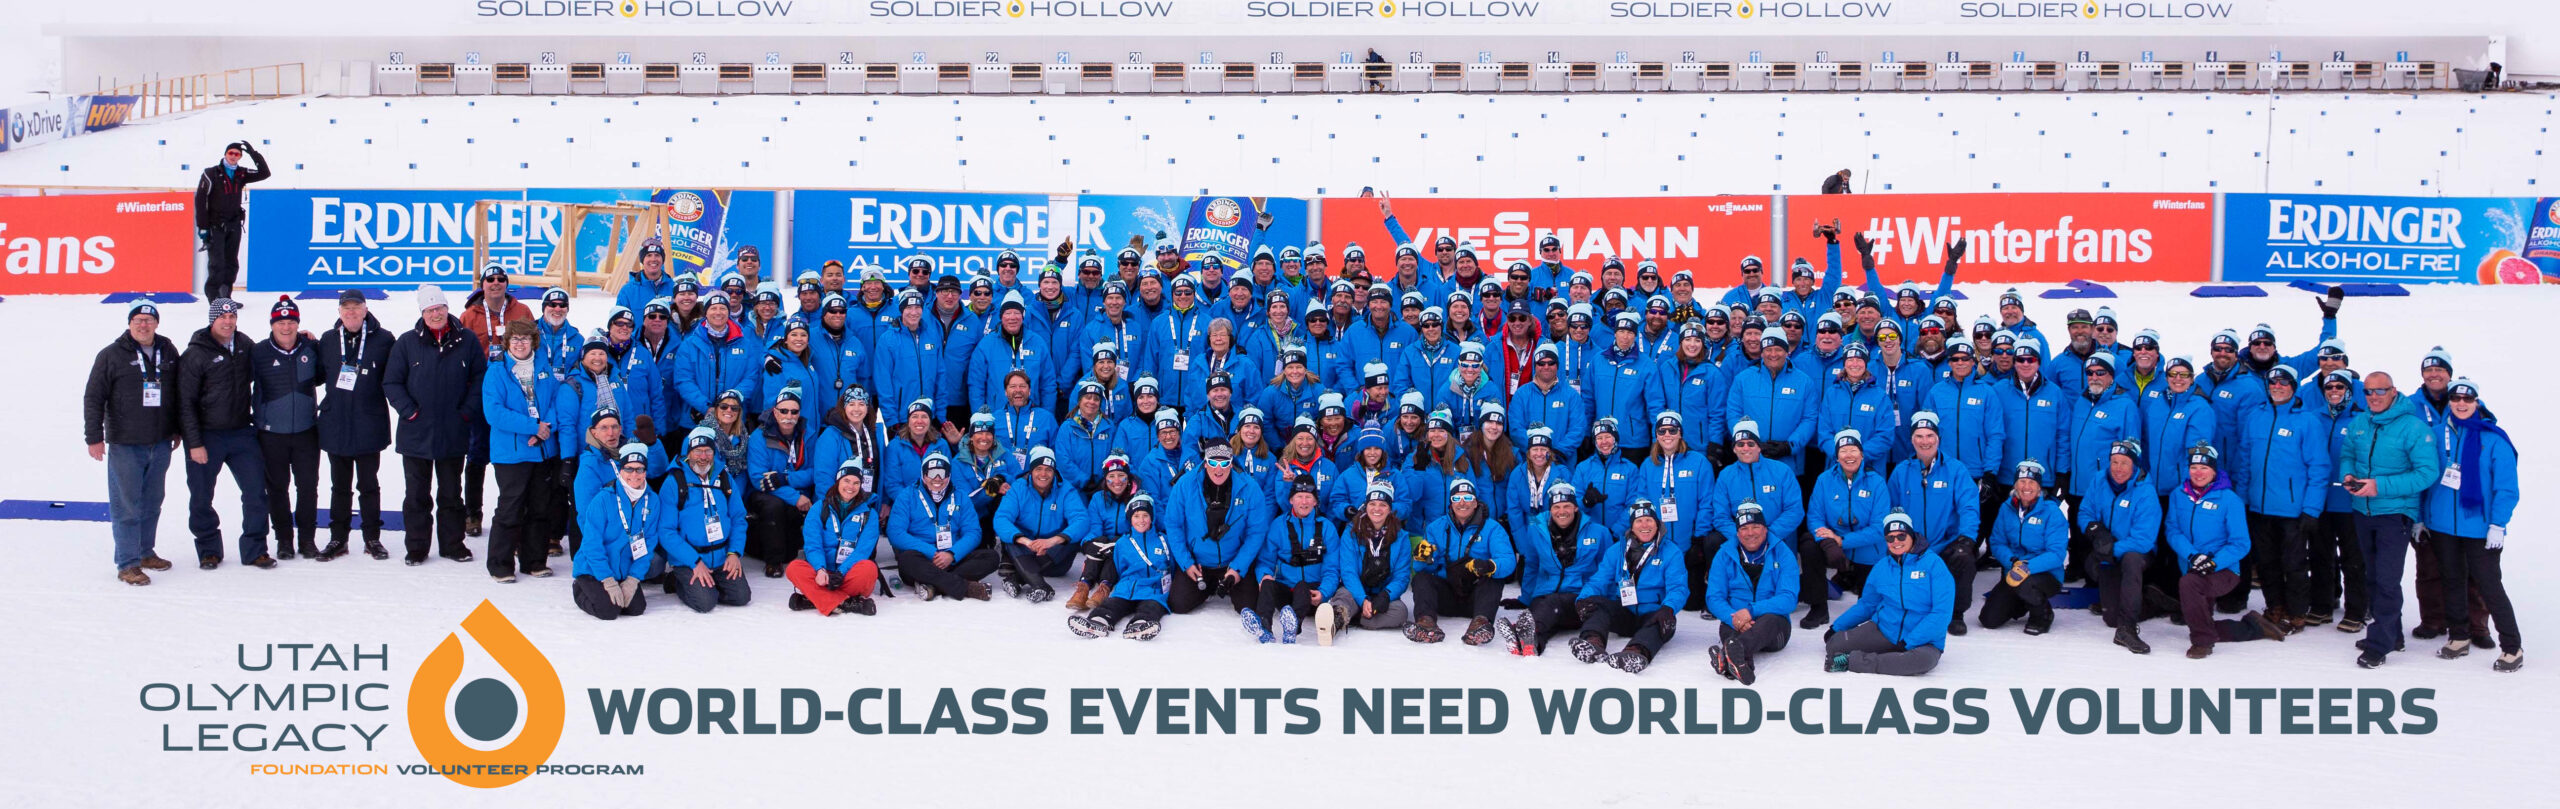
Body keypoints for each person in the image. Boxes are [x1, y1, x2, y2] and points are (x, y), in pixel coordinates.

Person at [2419, 378, 2523, 671]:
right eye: (2455, 399)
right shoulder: (2435, 435)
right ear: (2449, 402)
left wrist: (2498, 524)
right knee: (2451, 581)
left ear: (2477, 402)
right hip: (2442, 526)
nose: (2461, 404)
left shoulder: (2494, 438)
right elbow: (2425, 478)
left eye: (2468, 399)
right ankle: (2459, 636)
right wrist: (2420, 518)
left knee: (2489, 586)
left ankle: (2512, 647)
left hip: (2480, 528)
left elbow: (2506, 488)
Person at [2338, 372, 2438, 669]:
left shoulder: (2414, 428)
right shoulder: (2361, 422)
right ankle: (2393, 634)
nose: (2374, 397)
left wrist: (2379, 486)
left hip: (2395, 514)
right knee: (2371, 575)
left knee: (2386, 579)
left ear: (2393, 391)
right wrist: (2348, 475)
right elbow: (2347, 454)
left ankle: (2379, 644)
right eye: (2368, 392)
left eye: (2380, 391)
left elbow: (2426, 473)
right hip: (2362, 510)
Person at [88, 299, 185, 585]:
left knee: (152, 502)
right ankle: (127, 563)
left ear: (157, 323)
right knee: (127, 506)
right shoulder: (111, 355)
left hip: (160, 441)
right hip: (126, 443)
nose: (144, 325)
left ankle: (145, 553)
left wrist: (176, 429)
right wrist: (94, 437)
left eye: (149, 320)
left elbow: (178, 393)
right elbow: (93, 397)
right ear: (130, 323)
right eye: (138, 320)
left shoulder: (168, 350)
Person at [384, 286, 483, 565]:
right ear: (422, 313)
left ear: (447, 308)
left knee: (451, 493)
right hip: (416, 433)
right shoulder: (407, 342)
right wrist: (409, 412)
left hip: (453, 431)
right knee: (416, 495)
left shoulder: (467, 340)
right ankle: (417, 547)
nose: (435, 314)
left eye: (439, 308)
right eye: (429, 310)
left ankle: (453, 544)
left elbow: (479, 378)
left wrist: (466, 412)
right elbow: (392, 382)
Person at [2163, 443, 2288, 658]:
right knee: (2200, 620)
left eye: (2204, 468)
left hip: (2223, 571)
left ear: (2214, 471)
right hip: (2191, 566)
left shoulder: (2229, 500)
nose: (2198, 473)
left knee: (2190, 587)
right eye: (2194, 468)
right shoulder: (2178, 494)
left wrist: (2213, 562)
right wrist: (2193, 555)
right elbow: (2172, 530)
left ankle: (2202, 642)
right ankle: (2254, 627)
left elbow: (2241, 543)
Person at [2235, 366, 2332, 630]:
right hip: (2259, 507)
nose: (2277, 387)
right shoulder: (2256, 416)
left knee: (2294, 564)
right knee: (2266, 562)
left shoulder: (2307, 421)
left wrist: (2312, 508)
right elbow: (2245, 461)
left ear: (2294, 387)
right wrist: (2242, 499)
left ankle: (2297, 611)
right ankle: (2275, 606)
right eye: (2273, 382)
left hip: (2293, 509)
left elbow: (2319, 468)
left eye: (2284, 383)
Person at [177, 298, 271, 569]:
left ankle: (255, 549)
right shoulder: (196, 354)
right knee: (201, 496)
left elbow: (270, 356)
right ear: (212, 320)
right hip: (207, 437)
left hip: (241, 433)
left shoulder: (244, 345)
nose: (228, 322)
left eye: (232, 317)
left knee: (256, 492)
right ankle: (209, 549)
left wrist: (302, 338)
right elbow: (185, 402)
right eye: (222, 317)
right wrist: (194, 442)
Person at [313, 290, 394, 561]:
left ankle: (372, 538)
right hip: (336, 423)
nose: (351, 312)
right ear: (339, 312)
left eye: (356, 307)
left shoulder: (384, 339)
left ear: (365, 310)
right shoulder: (327, 340)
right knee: (339, 486)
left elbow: (395, 378)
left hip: (369, 423)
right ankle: (338, 538)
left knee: (369, 485)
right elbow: (317, 375)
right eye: (346, 308)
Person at [1823, 512, 1953, 676]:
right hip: (1885, 630)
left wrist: (1909, 641)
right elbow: (1867, 604)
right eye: (1890, 538)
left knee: (1922, 661)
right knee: (1834, 645)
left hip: (1923, 640)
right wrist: (1837, 626)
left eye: (1901, 536)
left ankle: (1853, 662)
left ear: (1912, 535)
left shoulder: (1934, 565)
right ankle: (1893, 658)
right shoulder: (1882, 567)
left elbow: (1941, 613)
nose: (1896, 541)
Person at [1887, 412, 1979, 636]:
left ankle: (1955, 613)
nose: (1925, 441)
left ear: (1938, 438)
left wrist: (1967, 537)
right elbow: (1891, 511)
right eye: (1919, 436)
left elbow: (1968, 507)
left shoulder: (1955, 470)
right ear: (1912, 440)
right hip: (1913, 546)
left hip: (1946, 543)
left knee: (1963, 558)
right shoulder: (1901, 471)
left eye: (1930, 435)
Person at [483, 320, 561, 583]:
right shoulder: (497, 371)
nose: (520, 344)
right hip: (512, 453)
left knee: (540, 508)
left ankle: (534, 561)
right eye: (515, 339)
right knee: (510, 508)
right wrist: (532, 427)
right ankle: (500, 564)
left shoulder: (543, 367)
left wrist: (545, 428)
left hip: (542, 450)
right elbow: (494, 412)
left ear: (533, 342)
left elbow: (555, 402)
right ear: (507, 342)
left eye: (525, 339)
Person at [1570, 499, 1685, 674]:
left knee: (1660, 624)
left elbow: (1678, 587)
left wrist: (1668, 608)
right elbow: (1599, 580)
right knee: (1598, 605)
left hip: (1653, 613)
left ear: (1657, 524)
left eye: (1649, 520)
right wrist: (1583, 598)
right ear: (1632, 526)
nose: (1644, 525)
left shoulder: (1671, 552)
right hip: (1624, 610)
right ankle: (1592, 641)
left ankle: (1636, 651)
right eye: (1639, 521)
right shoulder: (1616, 550)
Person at [459, 265, 533, 540]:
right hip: (480, 391)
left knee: (515, 453)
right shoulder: (469, 315)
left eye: (501, 279)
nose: (496, 283)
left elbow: (534, 345)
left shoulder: (521, 310)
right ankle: (472, 513)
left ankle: (516, 512)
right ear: (482, 284)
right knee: (477, 453)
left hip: (515, 391)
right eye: (490, 279)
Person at [249, 296, 324, 561]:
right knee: (277, 488)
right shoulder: (258, 352)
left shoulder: (311, 347)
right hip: (271, 434)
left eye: (291, 321)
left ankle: (307, 539)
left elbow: (325, 374)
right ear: (272, 325)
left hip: (306, 432)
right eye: (280, 322)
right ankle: (283, 539)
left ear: (298, 324)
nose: (286, 327)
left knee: (308, 487)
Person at [1163, 443, 1268, 614]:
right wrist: (1186, 563)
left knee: (1249, 607)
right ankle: (1210, 585)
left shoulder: (1250, 487)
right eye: (1213, 463)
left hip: (1233, 561)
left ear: (1231, 464)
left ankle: (1226, 582)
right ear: (1205, 463)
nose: (1218, 469)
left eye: (1224, 463)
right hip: (1199, 563)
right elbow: (1173, 524)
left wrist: (1238, 568)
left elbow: (1256, 532)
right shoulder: (1185, 484)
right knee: (1178, 604)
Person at [2081, 439, 2164, 654]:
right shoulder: (2099, 480)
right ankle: (2152, 601)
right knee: (2110, 617)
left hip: (2137, 554)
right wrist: (2097, 532)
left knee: (2131, 559)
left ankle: (2127, 628)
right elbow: (2085, 512)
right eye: (2114, 462)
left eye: (2124, 463)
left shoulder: (2145, 492)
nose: (2118, 468)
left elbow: (2143, 540)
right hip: (2108, 550)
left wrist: (2110, 550)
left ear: (2134, 465)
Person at [1410, 478, 1515, 645]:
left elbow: (1508, 560)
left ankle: (1481, 624)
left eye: (1467, 498)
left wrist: (1489, 565)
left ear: (1475, 502)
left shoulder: (1492, 528)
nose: (1462, 503)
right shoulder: (1435, 528)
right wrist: (1422, 558)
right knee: (1421, 579)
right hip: (1447, 596)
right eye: (1456, 498)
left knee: (1494, 579)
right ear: (1451, 503)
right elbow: (1420, 568)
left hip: (1476, 598)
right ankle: (1426, 622)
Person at [1705, 502, 1799, 686]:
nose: (1750, 533)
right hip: (1735, 621)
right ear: (1737, 532)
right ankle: (1739, 663)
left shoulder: (1782, 553)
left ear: (1765, 528)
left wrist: (1750, 611)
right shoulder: (1724, 554)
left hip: (1773, 627)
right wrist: (1732, 617)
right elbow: (1714, 597)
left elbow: (1788, 598)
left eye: (1755, 526)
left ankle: (1729, 655)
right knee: (1728, 629)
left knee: (1771, 619)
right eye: (1744, 528)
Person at [664, 426, 752, 612]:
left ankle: (707, 585)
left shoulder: (724, 477)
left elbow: (738, 518)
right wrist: (694, 562)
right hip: (690, 559)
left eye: (708, 451)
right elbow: (666, 531)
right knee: (705, 603)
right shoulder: (674, 482)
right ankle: (679, 579)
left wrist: (734, 553)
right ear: (688, 453)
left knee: (741, 597)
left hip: (721, 556)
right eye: (698, 451)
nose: (703, 457)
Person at [1242, 475, 1339, 644]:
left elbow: (1332, 568)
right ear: (1291, 500)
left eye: (1308, 497)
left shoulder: (1326, 527)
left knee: (1302, 586)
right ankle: (1264, 626)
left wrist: (1324, 592)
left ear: (1315, 501)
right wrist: (1264, 575)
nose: (1304, 502)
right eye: (1299, 496)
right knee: (1267, 583)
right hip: (1286, 591)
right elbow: (1265, 560)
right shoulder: (1278, 525)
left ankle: (1293, 627)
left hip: (1312, 594)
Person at [573, 444, 663, 621]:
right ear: (621, 470)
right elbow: (592, 544)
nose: (634, 475)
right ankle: (580, 588)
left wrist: (633, 579)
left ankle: (614, 586)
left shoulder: (652, 500)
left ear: (645, 471)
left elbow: (648, 543)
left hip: (623, 571)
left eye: (639, 469)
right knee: (608, 611)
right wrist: (607, 579)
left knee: (636, 608)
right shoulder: (603, 499)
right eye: (628, 469)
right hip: (593, 569)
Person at [891, 453, 996, 601]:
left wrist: (952, 554)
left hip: (953, 559)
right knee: (907, 559)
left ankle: (934, 585)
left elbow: (973, 532)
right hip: (923, 558)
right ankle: (965, 587)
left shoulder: (960, 496)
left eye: (942, 473)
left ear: (949, 475)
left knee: (991, 557)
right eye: (932, 473)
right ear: (923, 475)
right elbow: (896, 533)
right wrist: (931, 552)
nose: (937, 478)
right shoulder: (907, 496)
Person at [1071, 491, 1175, 640]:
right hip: (1127, 589)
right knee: (1111, 605)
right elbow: (1119, 567)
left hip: (1153, 590)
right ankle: (1097, 622)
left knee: (1151, 608)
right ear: (1130, 519)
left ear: (1152, 517)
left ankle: (1140, 625)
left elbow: (1172, 566)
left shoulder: (1164, 541)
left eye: (1145, 515)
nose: (1141, 520)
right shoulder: (1122, 543)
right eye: (1136, 516)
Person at [994, 446, 1091, 603]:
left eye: (1048, 470)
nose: (1043, 474)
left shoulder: (1066, 489)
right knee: (1010, 536)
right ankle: (1040, 585)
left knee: (1072, 537)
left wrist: (1052, 541)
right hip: (1026, 550)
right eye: (1038, 469)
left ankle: (1017, 578)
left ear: (1054, 471)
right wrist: (1026, 541)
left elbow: (1081, 520)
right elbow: (1001, 518)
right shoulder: (1019, 487)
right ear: (1031, 470)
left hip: (1054, 559)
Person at [1979, 460, 2064, 635]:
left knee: (2026, 585)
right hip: (2014, 570)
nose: (2026, 487)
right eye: (2022, 481)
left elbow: (2056, 554)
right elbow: (1997, 542)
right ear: (2015, 485)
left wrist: (2027, 567)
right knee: (1989, 619)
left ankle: (2042, 614)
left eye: (2032, 482)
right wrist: (2012, 561)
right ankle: (2022, 602)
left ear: (2039, 487)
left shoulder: (2051, 512)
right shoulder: (2006, 508)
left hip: (2045, 574)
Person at [791, 460, 883, 617]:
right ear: (838, 481)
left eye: (856, 483)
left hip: (849, 574)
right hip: (822, 575)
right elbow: (813, 544)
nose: (850, 487)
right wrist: (820, 569)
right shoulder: (819, 508)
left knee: (869, 569)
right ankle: (848, 603)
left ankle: (816, 599)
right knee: (794, 568)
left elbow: (862, 551)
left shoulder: (869, 514)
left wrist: (841, 572)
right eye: (846, 480)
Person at [746, 385, 817, 578]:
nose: (789, 416)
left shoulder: (808, 434)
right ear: (775, 412)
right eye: (784, 411)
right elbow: (759, 478)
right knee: (774, 506)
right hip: (766, 494)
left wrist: (785, 478)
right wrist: (794, 497)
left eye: (794, 411)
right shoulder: (759, 437)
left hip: (795, 490)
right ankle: (773, 562)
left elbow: (814, 472)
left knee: (790, 553)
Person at [193, 141, 270, 301]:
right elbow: (200, 200)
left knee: (231, 264)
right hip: (215, 225)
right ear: (225, 154)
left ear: (240, 156)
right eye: (231, 153)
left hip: (234, 224)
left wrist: (253, 154)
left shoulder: (241, 173)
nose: (233, 156)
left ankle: (226, 297)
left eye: (237, 154)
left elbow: (264, 173)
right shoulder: (211, 173)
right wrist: (203, 226)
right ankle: (214, 299)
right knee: (217, 264)